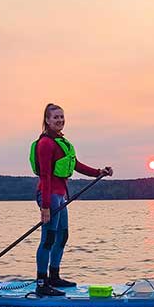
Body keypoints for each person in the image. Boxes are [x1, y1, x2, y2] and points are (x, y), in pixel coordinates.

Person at [30, 103, 112, 296]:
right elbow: (45, 176)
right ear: (47, 121)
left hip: (60, 196)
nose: (59, 120)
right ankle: (41, 283)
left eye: (62, 117)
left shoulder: (61, 143)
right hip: (48, 196)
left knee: (62, 236)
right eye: (55, 117)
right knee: (48, 239)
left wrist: (99, 172)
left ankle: (54, 276)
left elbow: (77, 165)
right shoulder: (45, 144)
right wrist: (46, 207)